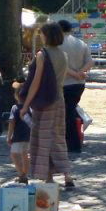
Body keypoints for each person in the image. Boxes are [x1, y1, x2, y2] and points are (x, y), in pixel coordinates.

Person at [19, 21, 75, 188]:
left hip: (45, 101)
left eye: (42, 33)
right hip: (59, 99)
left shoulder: (42, 55)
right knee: (57, 137)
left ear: (47, 35)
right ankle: (65, 175)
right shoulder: (63, 55)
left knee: (43, 138)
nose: (40, 36)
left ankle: (49, 176)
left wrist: (25, 104)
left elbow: (36, 82)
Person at [58, 19, 93, 154]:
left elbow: (60, 65)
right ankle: (73, 143)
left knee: (66, 114)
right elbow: (90, 61)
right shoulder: (81, 43)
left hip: (64, 83)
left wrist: (74, 74)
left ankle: (70, 144)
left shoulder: (58, 45)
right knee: (70, 111)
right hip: (78, 84)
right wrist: (81, 73)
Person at [6, 81, 31, 183]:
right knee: (25, 154)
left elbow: (12, 122)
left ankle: (21, 174)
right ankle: (25, 173)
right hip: (29, 136)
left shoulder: (15, 108)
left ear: (16, 95)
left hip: (18, 136)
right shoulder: (30, 108)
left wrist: (9, 136)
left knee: (14, 154)